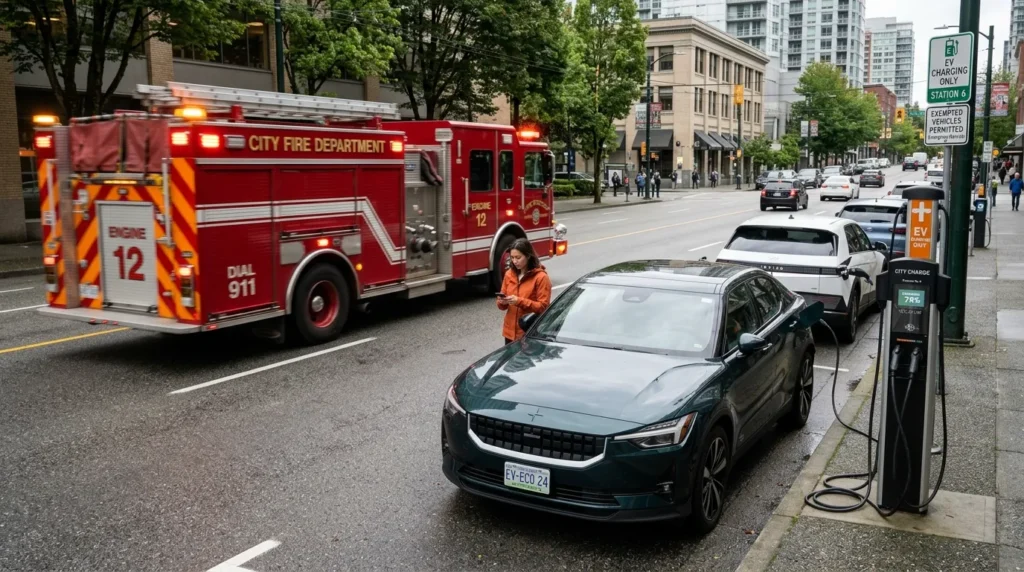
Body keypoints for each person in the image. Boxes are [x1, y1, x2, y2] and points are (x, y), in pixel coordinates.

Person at [496, 238, 552, 344]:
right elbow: (501, 305)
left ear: (528, 255)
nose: (515, 261)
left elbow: (543, 307)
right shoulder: (509, 274)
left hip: (528, 332)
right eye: (512, 257)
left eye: (518, 257)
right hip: (509, 333)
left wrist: (519, 301)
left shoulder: (541, 277)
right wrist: (501, 302)